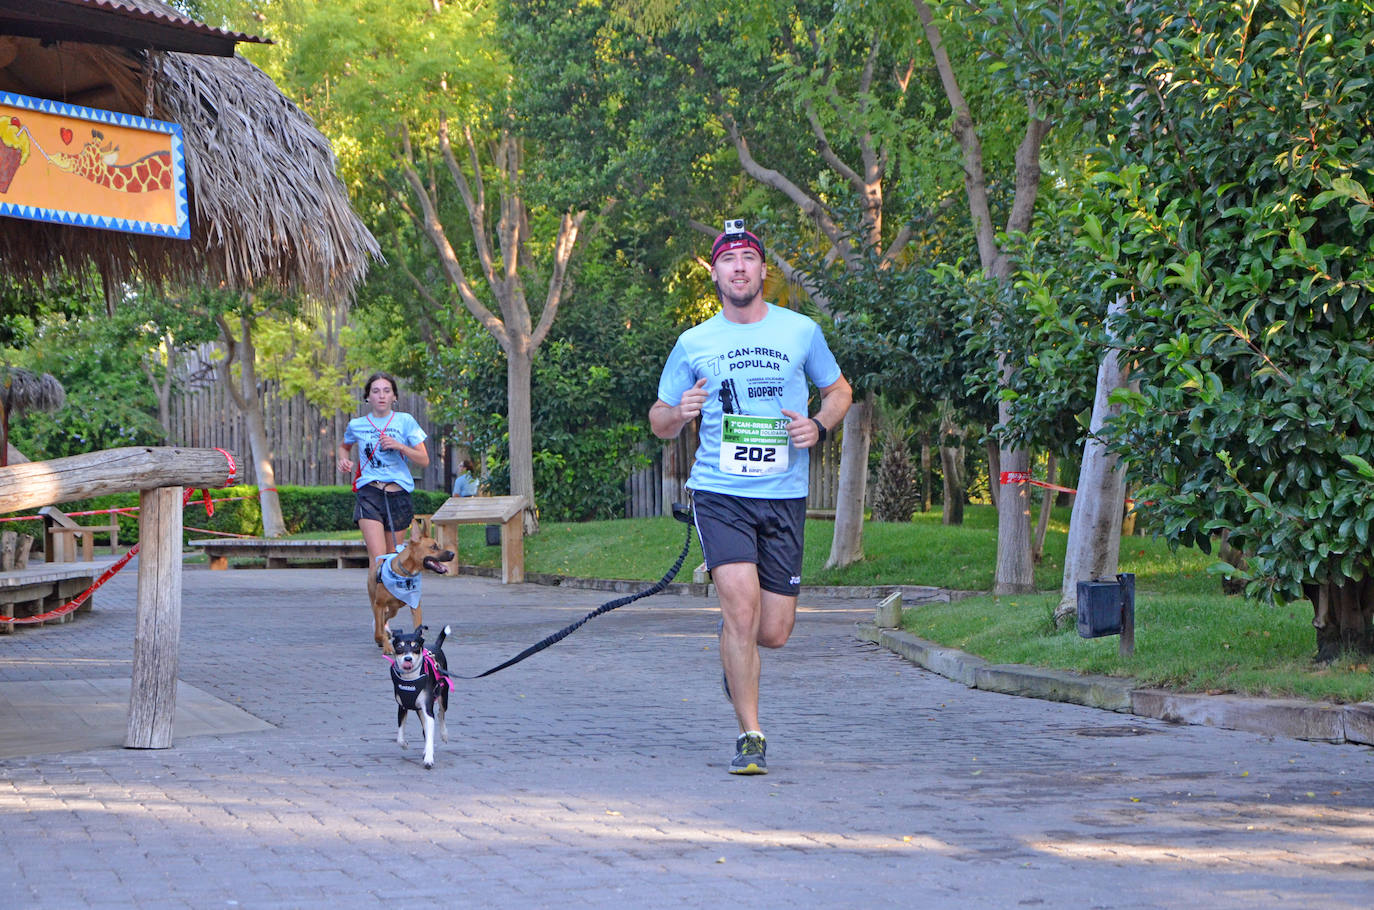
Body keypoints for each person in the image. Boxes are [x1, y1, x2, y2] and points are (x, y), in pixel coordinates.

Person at [649, 220, 852, 775]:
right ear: (714, 273)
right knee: (740, 611)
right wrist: (678, 414)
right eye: (728, 259)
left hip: (783, 494)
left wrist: (820, 425)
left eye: (747, 258)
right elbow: (659, 419)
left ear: (764, 271)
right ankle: (751, 734)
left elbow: (838, 391)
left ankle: (733, 660)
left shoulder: (801, 331)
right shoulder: (694, 343)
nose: (738, 267)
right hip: (720, 492)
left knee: (773, 631)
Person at [337, 372, 431, 567]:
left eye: (386, 391)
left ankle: (392, 598)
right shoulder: (357, 425)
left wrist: (400, 446)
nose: (381, 396)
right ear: (368, 397)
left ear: (394, 396)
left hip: (398, 494)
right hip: (370, 493)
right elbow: (344, 446)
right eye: (376, 391)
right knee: (378, 559)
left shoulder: (405, 421)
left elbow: (424, 460)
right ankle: (377, 599)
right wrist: (344, 460)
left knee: (391, 558)